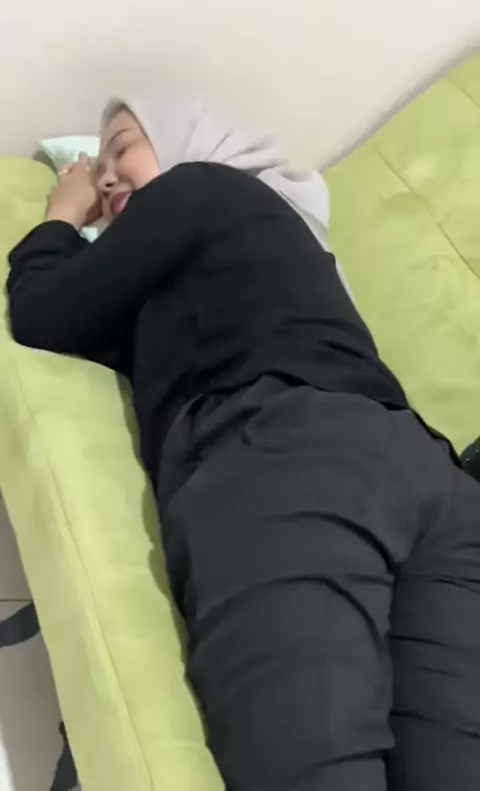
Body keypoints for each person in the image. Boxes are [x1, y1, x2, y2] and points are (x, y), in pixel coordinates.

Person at [6, 93, 480, 791]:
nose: (104, 176)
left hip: (289, 456)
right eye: (97, 162)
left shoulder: (198, 186)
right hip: (435, 482)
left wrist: (60, 213)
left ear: (189, 139)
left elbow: (43, 312)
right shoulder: (258, 259)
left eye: (123, 146)